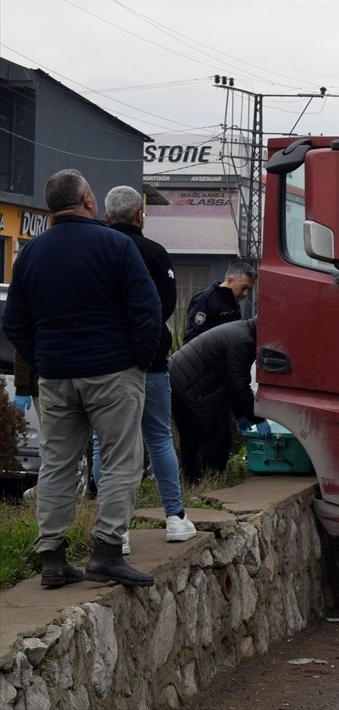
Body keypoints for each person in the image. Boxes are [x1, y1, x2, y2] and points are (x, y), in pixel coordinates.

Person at [2, 168, 161, 588]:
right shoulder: (115, 245)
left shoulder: (31, 254)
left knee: (56, 464)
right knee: (121, 459)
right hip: (112, 372)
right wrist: (137, 362)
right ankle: (107, 552)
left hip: (55, 376)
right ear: (89, 200)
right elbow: (147, 311)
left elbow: (15, 322)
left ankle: (52, 559)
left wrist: (43, 360)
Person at [91, 186, 196, 545]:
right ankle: (175, 518)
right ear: (140, 216)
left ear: (106, 216)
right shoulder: (154, 253)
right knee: (158, 437)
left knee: (103, 443)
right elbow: (165, 306)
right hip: (149, 362)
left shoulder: (94, 250)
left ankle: (114, 531)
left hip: (103, 362)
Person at [170, 318, 269, 483]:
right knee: (212, 439)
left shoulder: (241, 331)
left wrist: (241, 415)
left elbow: (233, 382)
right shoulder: (244, 341)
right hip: (190, 387)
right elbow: (239, 386)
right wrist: (257, 418)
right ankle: (205, 483)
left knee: (192, 439)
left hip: (178, 381)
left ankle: (190, 482)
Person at [183, 260, 256, 343]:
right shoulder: (205, 299)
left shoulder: (233, 301)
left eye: (249, 290)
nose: (245, 293)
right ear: (229, 280)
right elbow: (193, 337)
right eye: (243, 288)